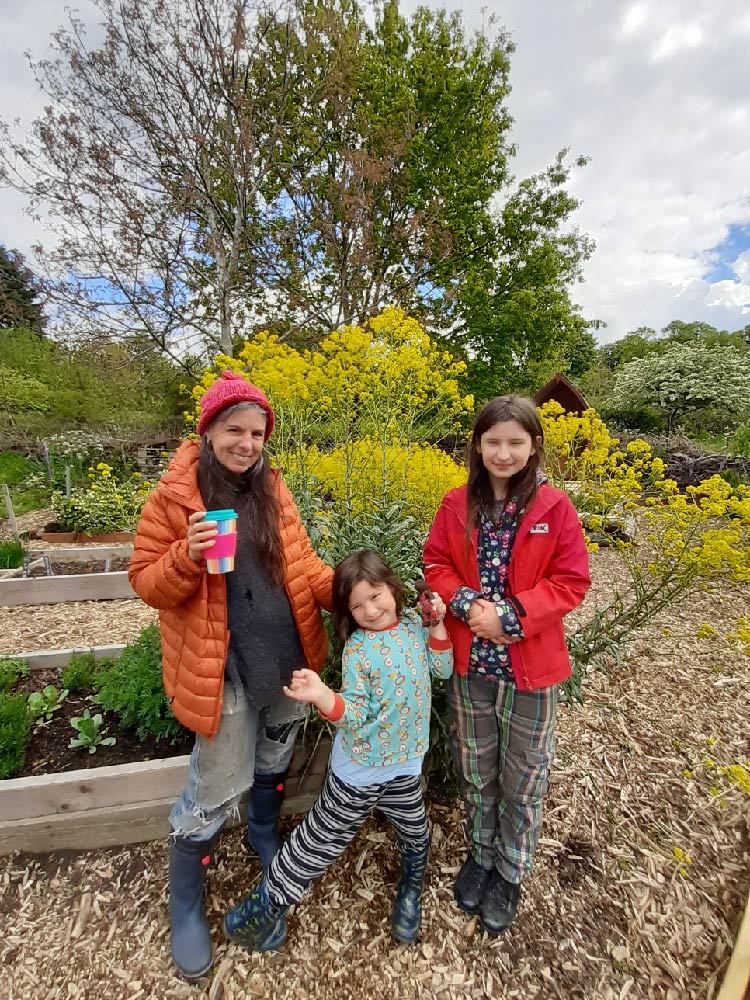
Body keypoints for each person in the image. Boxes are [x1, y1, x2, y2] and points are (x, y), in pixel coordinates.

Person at [129, 370, 334, 980]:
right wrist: (184, 556)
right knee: (215, 784)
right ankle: (187, 900)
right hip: (223, 669)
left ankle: (264, 833)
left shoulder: (274, 487)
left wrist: (354, 592)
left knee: (274, 758)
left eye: (256, 432)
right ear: (209, 429)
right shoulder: (177, 496)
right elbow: (145, 583)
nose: (247, 443)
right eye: (234, 430)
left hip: (287, 659)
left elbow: (303, 566)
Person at [222, 548, 453, 952]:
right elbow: (354, 713)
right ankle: (262, 908)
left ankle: (410, 890)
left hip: (404, 767)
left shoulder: (415, 627)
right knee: (320, 841)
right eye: (357, 604)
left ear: (393, 589)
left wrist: (438, 626)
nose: (371, 609)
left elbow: (443, 670)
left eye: (376, 595)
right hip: (360, 773)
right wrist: (322, 695)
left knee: (416, 833)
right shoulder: (360, 651)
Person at [423, 394, 590, 935]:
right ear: (477, 444)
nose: (503, 452)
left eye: (515, 442)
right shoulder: (455, 504)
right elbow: (436, 563)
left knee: (524, 773)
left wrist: (512, 617)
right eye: (492, 441)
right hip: (472, 659)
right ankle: (481, 854)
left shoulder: (554, 507)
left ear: (533, 446)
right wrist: (470, 606)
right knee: (477, 766)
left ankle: (511, 870)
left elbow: (571, 581)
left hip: (530, 663)